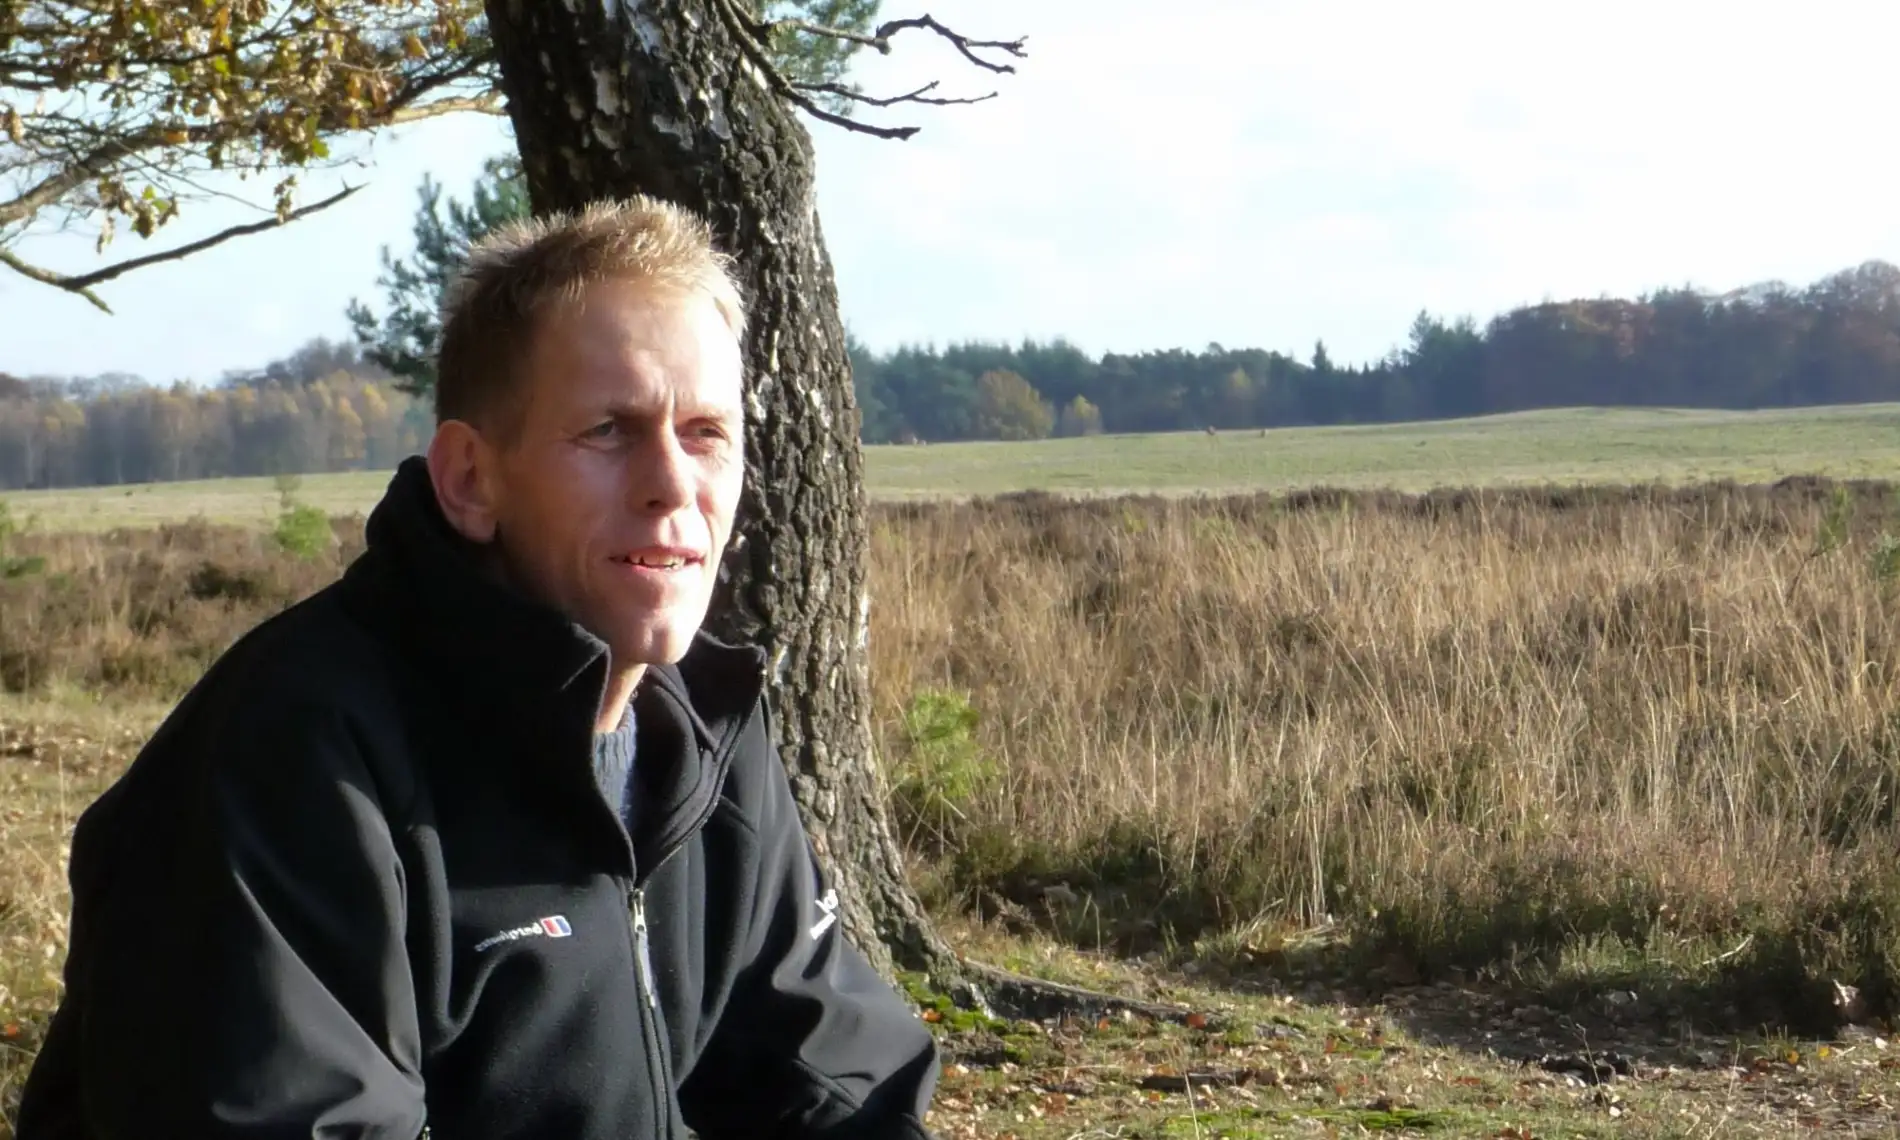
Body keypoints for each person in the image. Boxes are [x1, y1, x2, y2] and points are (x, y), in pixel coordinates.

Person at [17, 196, 941, 1139]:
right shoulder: (294, 756)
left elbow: (834, 1080)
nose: (673, 483)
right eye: (609, 430)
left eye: (706, 432)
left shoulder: (704, 732)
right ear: (469, 480)